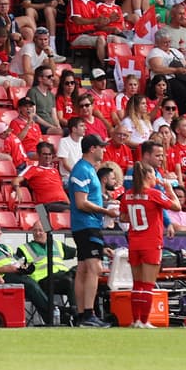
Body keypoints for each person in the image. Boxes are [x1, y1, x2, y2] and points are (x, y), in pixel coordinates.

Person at [121, 160, 181, 328]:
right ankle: (145, 320)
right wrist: (170, 190)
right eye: (154, 174)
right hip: (151, 242)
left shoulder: (128, 194)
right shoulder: (154, 193)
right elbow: (177, 207)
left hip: (134, 242)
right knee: (147, 284)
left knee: (137, 284)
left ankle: (135, 320)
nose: (156, 177)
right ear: (148, 176)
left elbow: (123, 217)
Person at [67, 133, 116, 327]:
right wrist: (106, 211)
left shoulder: (86, 169)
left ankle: (82, 315)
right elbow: (81, 202)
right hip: (87, 224)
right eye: (101, 147)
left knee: (83, 269)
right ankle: (88, 314)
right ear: (92, 148)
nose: (104, 150)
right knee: (94, 268)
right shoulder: (82, 170)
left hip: (85, 224)